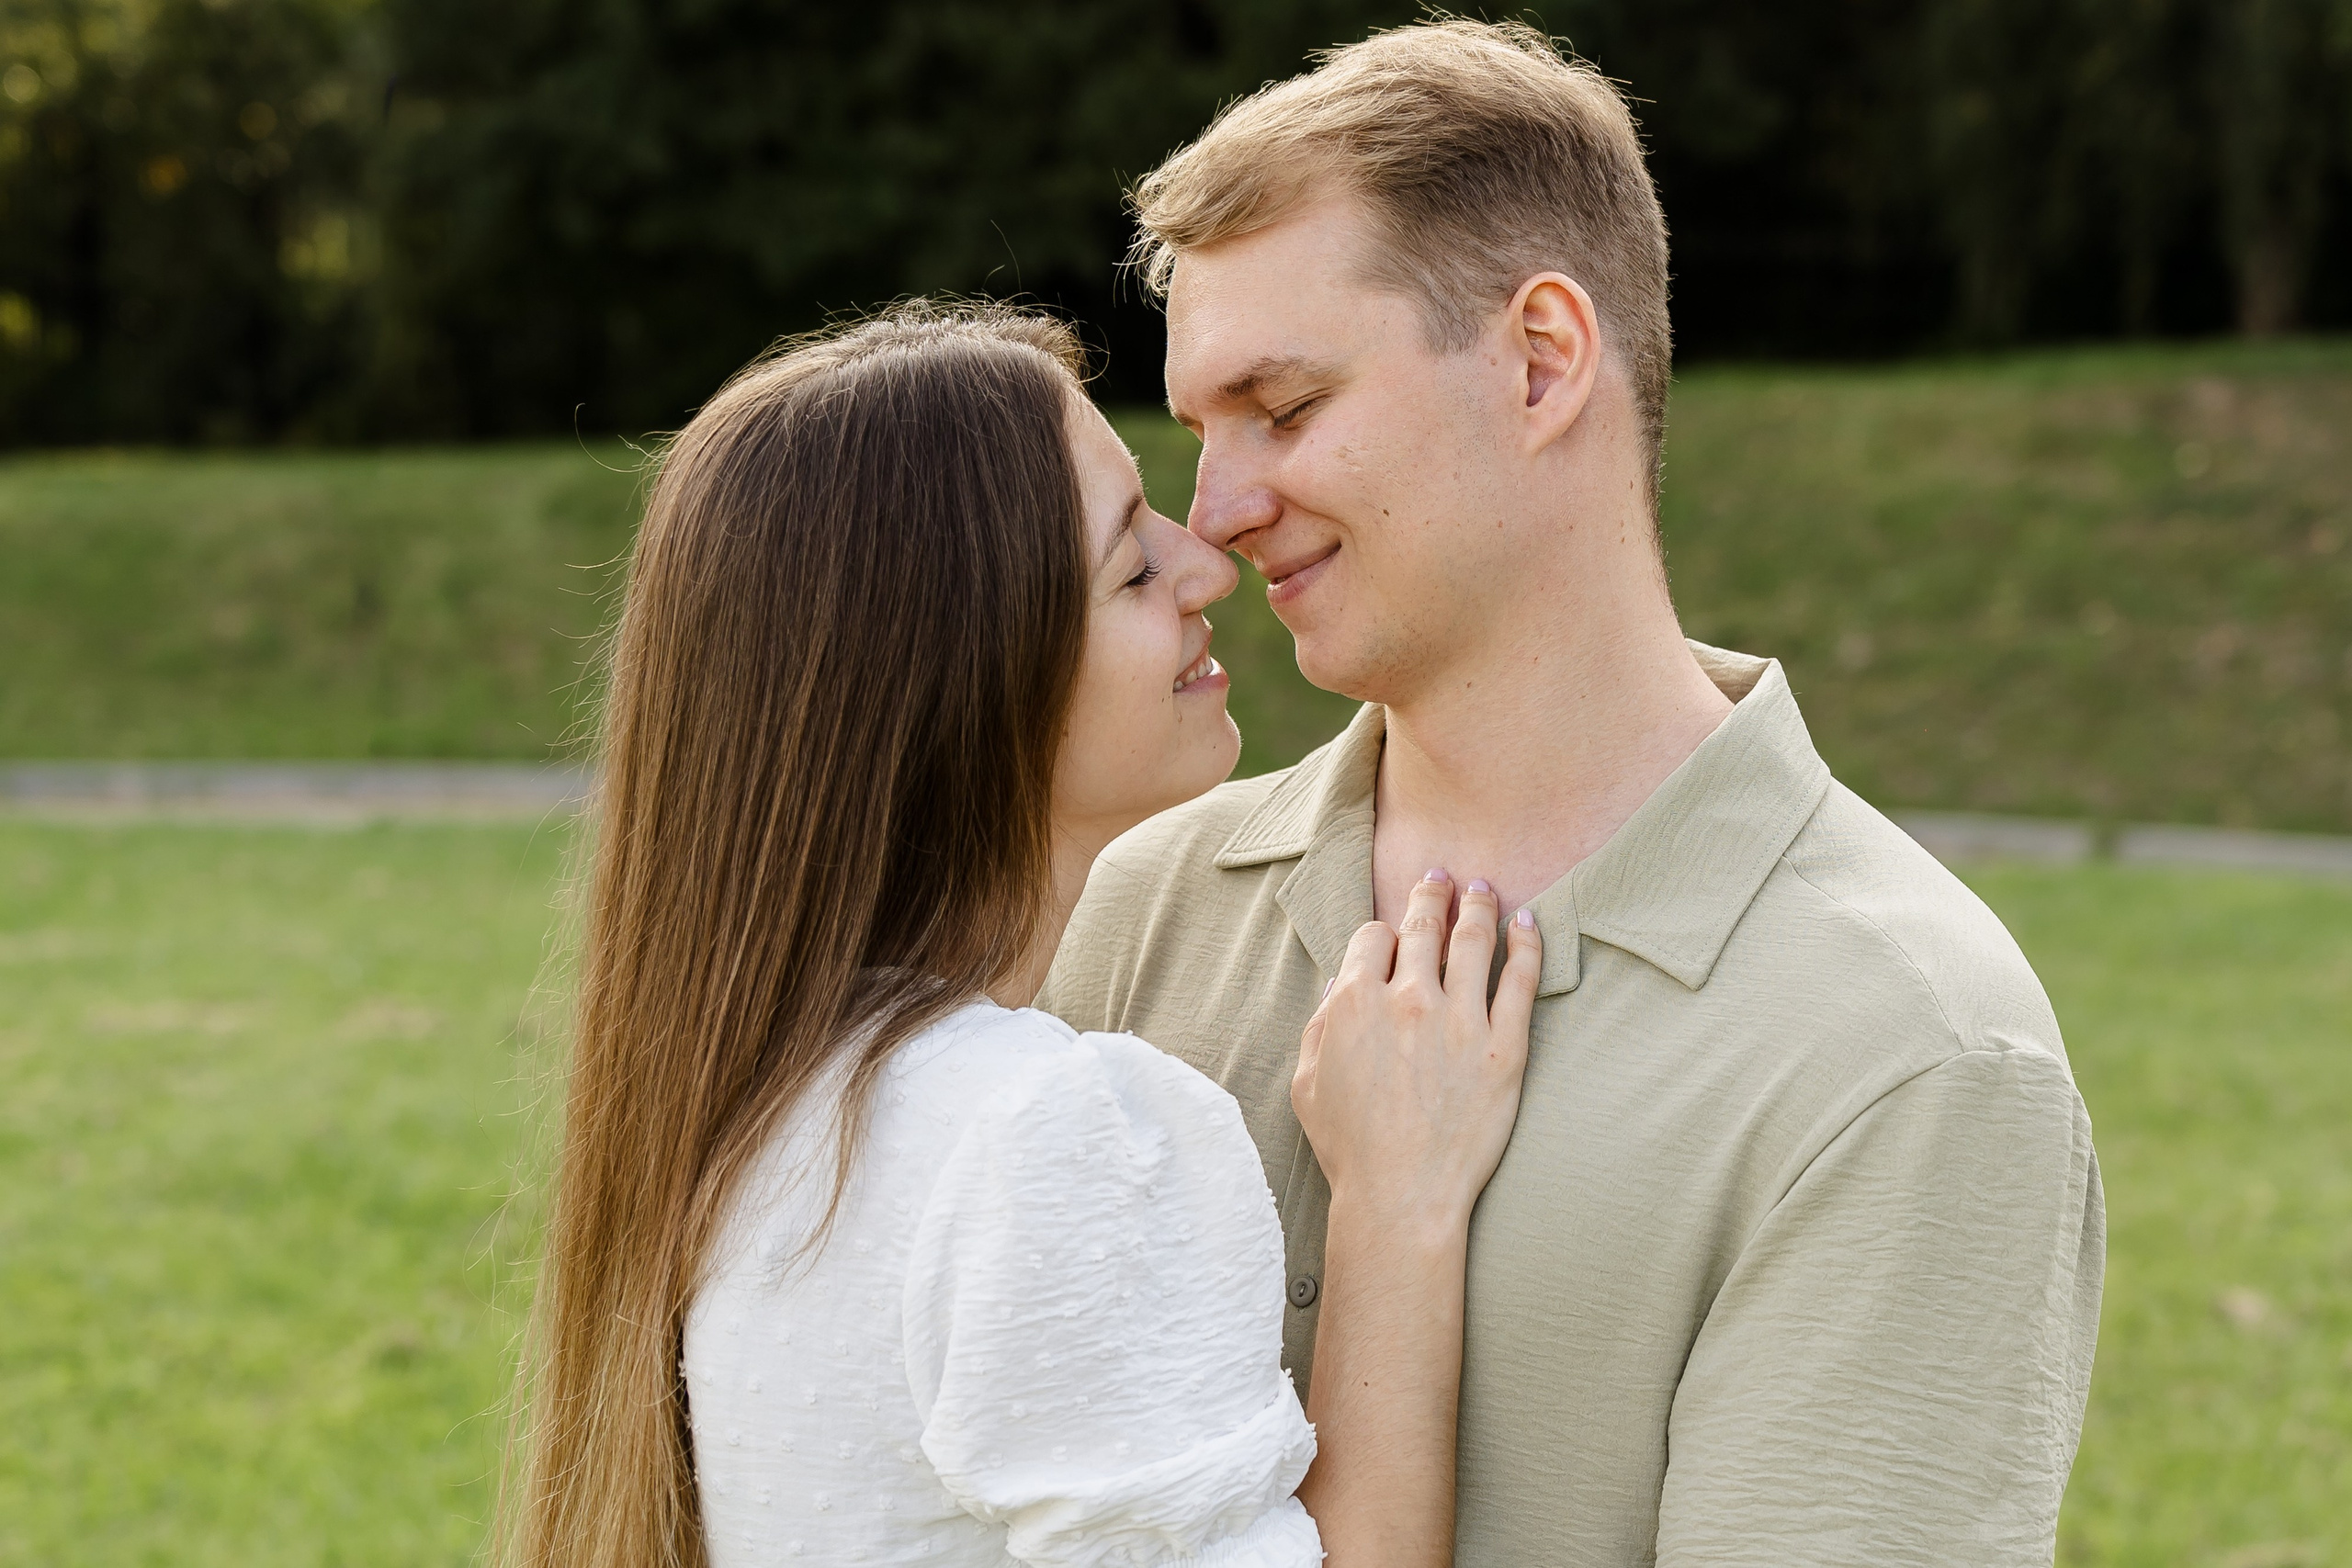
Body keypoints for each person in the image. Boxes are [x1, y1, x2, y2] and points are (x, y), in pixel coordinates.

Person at [1038, 19, 2106, 1567]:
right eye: (1200, 435)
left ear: (1543, 360)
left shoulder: (1916, 1053)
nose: (1217, 518)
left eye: (1281, 408)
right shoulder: (1139, 899)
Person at [494, 300, 1544, 1568]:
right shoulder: (1042, 1137)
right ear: (972, 689)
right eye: (1132, 567)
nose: (1207, 562)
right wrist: (1396, 1205)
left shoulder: (771, 1108)